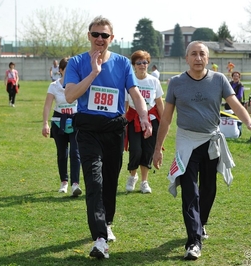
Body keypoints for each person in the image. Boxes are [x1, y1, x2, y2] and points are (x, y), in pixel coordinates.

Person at [152, 41, 251, 261]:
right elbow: (166, 119)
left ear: (208, 58)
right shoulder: (176, 83)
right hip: (186, 143)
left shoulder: (219, 80)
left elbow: (235, 104)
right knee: (190, 191)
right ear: (187, 58)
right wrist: (158, 149)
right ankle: (193, 241)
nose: (198, 58)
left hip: (211, 141)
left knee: (208, 188)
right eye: (194, 54)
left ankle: (201, 224)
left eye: (202, 54)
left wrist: (248, 122)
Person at [64, 16, 152, 259]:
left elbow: (135, 94)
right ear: (89, 36)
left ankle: (107, 222)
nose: (100, 39)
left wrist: (144, 116)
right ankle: (100, 239)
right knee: (94, 182)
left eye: (105, 35)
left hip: (114, 129)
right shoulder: (77, 62)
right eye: (95, 34)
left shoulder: (123, 64)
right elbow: (70, 95)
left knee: (110, 181)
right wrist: (93, 73)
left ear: (111, 38)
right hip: (88, 129)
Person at [125, 50, 164, 194]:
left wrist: (164, 122)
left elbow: (159, 103)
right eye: (139, 63)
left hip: (151, 120)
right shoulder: (129, 80)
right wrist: (123, 121)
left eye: (145, 62)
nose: (142, 65)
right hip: (134, 119)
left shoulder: (154, 81)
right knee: (136, 149)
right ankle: (132, 177)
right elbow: (125, 104)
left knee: (148, 150)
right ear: (134, 65)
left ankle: (144, 181)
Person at [42, 57, 82, 196]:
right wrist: (45, 123)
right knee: (62, 153)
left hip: (76, 121)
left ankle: (75, 184)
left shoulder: (79, 84)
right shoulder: (54, 86)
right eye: (67, 69)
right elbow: (47, 105)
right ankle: (64, 182)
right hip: (59, 121)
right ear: (60, 70)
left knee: (75, 153)